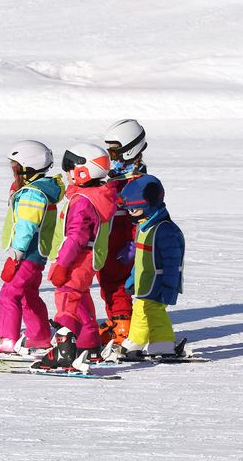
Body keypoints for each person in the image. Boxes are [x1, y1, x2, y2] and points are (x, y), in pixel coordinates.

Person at [35, 143, 117, 369]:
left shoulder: (82, 201)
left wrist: (62, 264)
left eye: (71, 168)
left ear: (84, 170)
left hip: (76, 259)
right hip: (88, 258)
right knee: (79, 298)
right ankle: (88, 345)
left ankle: (64, 351)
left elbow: (75, 237)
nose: (68, 173)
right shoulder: (98, 194)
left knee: (67, 300)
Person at [0, 140, 63, 354]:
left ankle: (7, 338)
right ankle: (40, 336)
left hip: (27, 254)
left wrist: (16, 253)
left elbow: (27, 226)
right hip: (35, 255)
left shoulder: (33, 194)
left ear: (28, 166)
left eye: (15, 167)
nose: (12, 171)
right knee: (28, 294)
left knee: (9, 294)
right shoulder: (36, 190)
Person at [117, 175, 184, 356]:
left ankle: (159, 344)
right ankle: (141, 343)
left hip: (159, 283)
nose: (131, 214)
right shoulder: (145, 226)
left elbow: (173, 262)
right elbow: (141, 260)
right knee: (142, 310)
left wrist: (170, 286)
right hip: (146, 283)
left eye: (135, 210)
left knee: (152, 311)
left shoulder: (164, 229)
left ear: (149, 205)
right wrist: (132, 280)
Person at [96, 119, 148, 345]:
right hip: (108, 239)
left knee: (117, 284)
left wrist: (134, 243)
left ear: (131, 150)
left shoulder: (139, 181)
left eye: (116, 152)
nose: (112, 158)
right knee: (108, 282)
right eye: (109, 152)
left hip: (123, 242)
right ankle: (120, 321)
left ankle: (123, 326)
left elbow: (144, 216)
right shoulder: (115, 178)